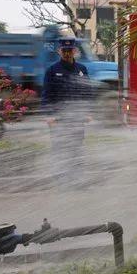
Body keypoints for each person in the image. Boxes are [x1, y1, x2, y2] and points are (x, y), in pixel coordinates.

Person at [42, 37, 92, 182]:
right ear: (59, 51)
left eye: (70, 50)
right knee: (59, 146)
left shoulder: (82, 69)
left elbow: (87, 91)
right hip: (58, 118)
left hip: (77, 117)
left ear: (75, 51)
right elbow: (46, 94)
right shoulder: (52, 70)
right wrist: (49, 115)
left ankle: (77, 176)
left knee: (77, 146)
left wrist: (88, 111)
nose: (67, 53)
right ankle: (61, 176)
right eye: (64, 50)